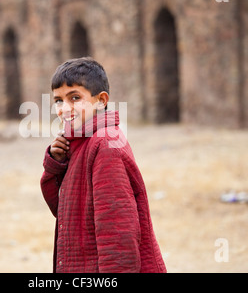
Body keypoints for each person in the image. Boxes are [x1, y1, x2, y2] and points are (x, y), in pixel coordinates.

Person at [40, 57, 166, 273]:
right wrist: (56, 164)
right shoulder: (79, 142)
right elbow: (64, 212)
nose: (64, 108)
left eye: (75, 98)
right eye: (59, 101)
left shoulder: (105, 144)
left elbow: (117, 232)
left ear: (101, 100)